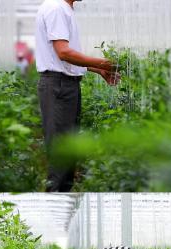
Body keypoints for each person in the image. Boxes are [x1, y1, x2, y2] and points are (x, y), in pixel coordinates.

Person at [35, 0, 120, 192]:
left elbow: (61, 56)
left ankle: (63, 205)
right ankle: (54, 208)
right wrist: (103, 62)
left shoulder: (64, 9)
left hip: (64, 85)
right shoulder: (56, 8)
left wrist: (98, 69)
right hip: (59, 86)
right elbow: (63, 53)